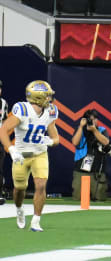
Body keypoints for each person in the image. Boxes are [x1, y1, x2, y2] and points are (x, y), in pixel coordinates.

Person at [0, 81, 59, 232]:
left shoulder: (51, 111)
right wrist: (12, 149)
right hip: (21, 154)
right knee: (19, 189)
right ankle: (19, 210)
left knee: (41, 185)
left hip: (40, 154)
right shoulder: (22, 110)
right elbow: (3, 130)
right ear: (39, 97)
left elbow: (56, 138)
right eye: (47, 96)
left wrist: (50, 141)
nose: (50, 98)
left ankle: (36, 221)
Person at [71, 109, 110, 201]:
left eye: (94, 119)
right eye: (89, 119)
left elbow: (106, 142)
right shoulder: (79, 130)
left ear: (97, 120)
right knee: (78, 198)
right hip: (81, 169)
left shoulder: (102, 130)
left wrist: (94, 130)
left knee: (99, 198)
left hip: (98, 170)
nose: (92, 121)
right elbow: (75, 142)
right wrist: (81, 127)